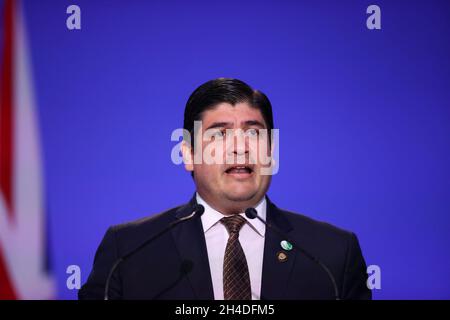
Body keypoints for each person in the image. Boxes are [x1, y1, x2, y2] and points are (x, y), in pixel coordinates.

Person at [78, 78, 371, 300]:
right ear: (189, 154)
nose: (240, 147)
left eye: (254, 133)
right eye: (220, 134)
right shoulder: (128, 252)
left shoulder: (331, 254)